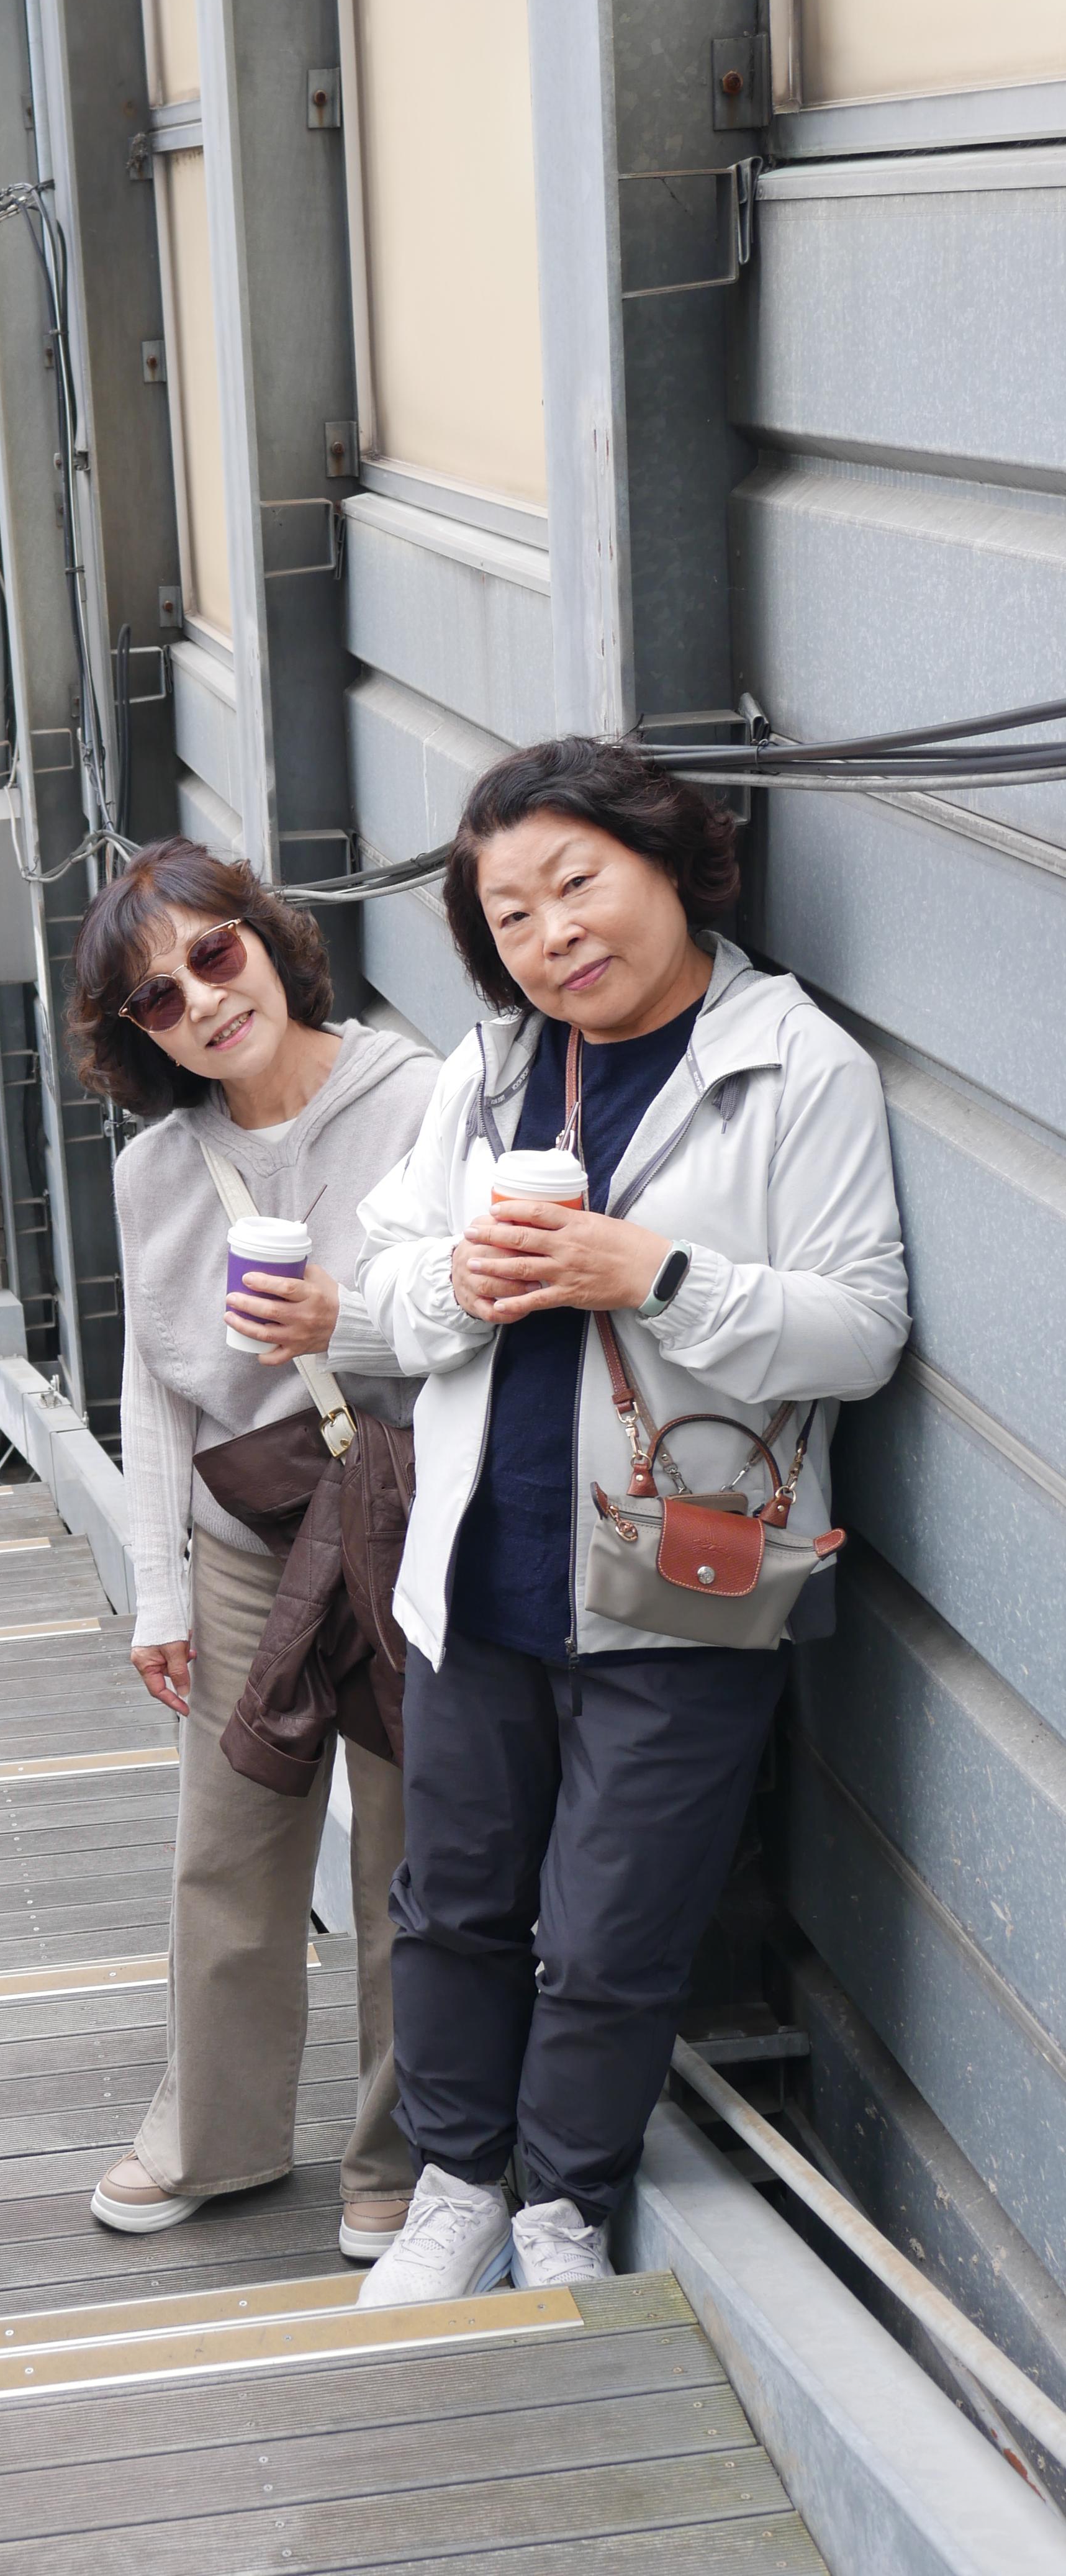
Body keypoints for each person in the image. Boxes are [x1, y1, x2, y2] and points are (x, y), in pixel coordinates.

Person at [353, 738, 908, 2304]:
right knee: (452, 1907)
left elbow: (859, 1330)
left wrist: (654, 1276)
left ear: (665, 859)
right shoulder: (486, 1072)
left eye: (574, 883)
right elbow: (378, 1291)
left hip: (683, 1576)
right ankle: (453, 2190)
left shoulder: (794, 1064)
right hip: (479, 1564)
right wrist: (454, 1284)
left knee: (610, 1931)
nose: (552, 935)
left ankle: (564, 2207)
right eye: (510, 915)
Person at [68, 841, 438, 2256]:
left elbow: (478, 1310)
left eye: (213, 954)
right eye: (157, 998)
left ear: (268, 939)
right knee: (223, 1845)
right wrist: (157, 1587)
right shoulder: (155, 1169)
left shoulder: (421, 1098)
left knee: (410, 1851)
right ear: (139, 1037)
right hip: (247, 1532)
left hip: (405, 1517)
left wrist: (344, 1320)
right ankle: (211, 2139)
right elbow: (154, 1382)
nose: (204, 1000)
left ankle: (396, 2152)